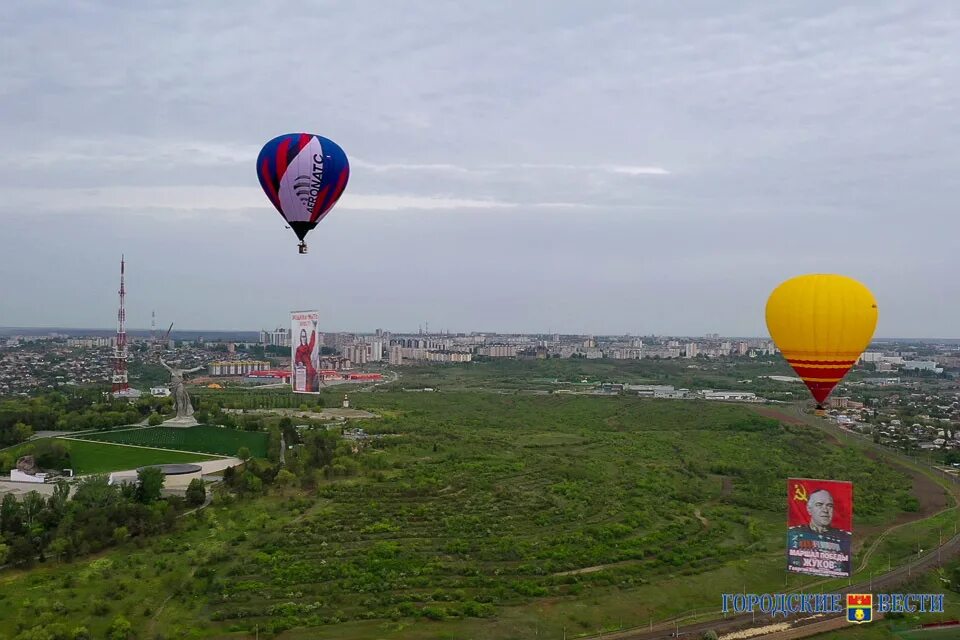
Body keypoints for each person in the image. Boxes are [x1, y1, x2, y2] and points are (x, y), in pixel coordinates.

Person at [787, 488, 852, 574]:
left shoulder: (845, 537)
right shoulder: (793, 534)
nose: (825, 510)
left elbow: (846, 568)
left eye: (829, 506)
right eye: (819, 504)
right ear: (809, 509)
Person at [294, 320, 318, 391]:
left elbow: (312, 342)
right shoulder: (298, 349)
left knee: (309, 389)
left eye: (304, 336)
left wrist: (314, 329)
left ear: (306, 337)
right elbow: (297, 359)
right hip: (302, 372)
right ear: (300, 337)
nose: (303, 338)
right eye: (302, 336)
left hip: (309, 372)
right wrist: (299, 362)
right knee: (302, 388)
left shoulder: (308, 348)